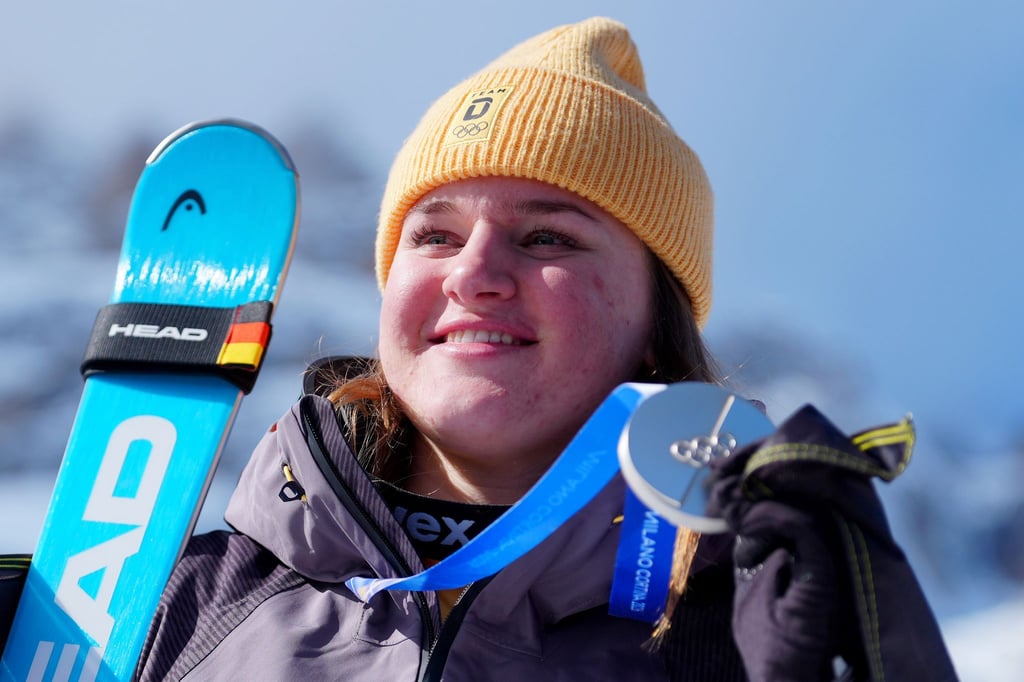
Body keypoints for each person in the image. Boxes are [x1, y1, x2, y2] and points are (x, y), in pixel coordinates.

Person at [135, 17, 957, 681]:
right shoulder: (181, 602)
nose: (475, 274)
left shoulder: (749, 623)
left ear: (655, 319)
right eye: (435, 234)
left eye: (545, 236)